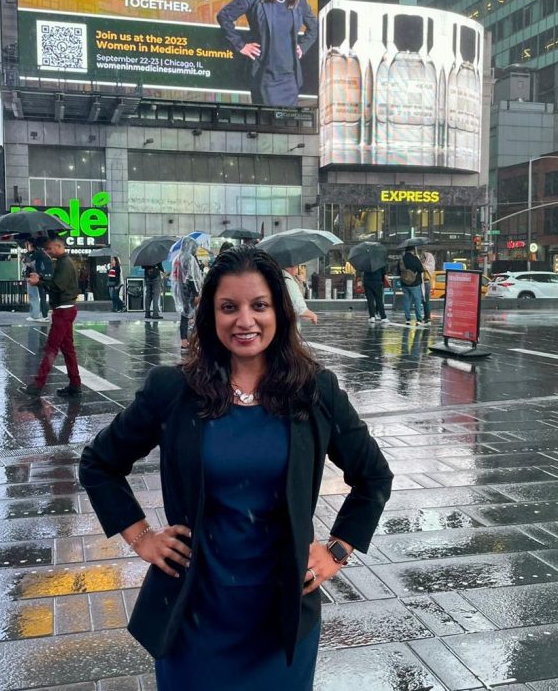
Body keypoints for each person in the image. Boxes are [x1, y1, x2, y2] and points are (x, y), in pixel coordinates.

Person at [78, 245, 392, 690]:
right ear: (211, 315)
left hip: (280, 618)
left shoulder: (315, 390)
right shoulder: (174, 390)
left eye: (259, 305)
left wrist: (338, 550)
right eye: (229, 307)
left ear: (280, 311)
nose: (245, 321)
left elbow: (374, 476)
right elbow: (99, 464)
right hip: (194, 614)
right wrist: (141, 537)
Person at [217, 0, 317, 107]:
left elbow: (314, 27)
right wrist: (240, 45)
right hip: (264, 77)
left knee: (286, 128)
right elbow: (224, 16)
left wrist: (302, 47)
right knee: (268, 127)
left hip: (290, 79)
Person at [19, 236, 82, 398]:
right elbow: (56, 283)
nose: (47, 252)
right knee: (68, 349)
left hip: (63, 310)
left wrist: (38, 282)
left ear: (57, 246)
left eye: (49, 249)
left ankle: (38, 385)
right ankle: (75, 384)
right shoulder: (63, 262)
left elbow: (56, 286)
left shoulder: (64, 264)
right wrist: (41, 280)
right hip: (66, 308)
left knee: (51, 349)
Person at [171, 237, 203, 351]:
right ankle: (192, 340)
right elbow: (191, 278)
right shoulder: (189, 259)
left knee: (184, 316)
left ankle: (184, 340)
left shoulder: (177, 258)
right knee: (194, 315)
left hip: (180, 290)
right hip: (188, 291)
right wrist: (196, 294)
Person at [398, 245, 426, 325]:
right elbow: (421, 270)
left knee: (406, 301)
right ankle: (419, 319)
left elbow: (398, 271)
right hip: (415, 283)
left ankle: (408, 319)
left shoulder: (401, 259)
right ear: (412, 250)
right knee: (417, 300)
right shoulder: (415, 258)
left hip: (404, 283)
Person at [23, 241, 42, 322]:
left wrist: (28, 263)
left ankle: (35, 315)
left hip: (33, 276)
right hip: (29, 276)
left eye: (28, 245)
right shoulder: (28, 254)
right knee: (31, 296)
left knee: (34, 296)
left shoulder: (36, 254)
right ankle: (33, 314)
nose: (26, 246)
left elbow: (36, 266)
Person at [420, 251, 432, 327]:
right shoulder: (425, 264)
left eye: (424, 257)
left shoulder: (429, 264)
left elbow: (424, 268)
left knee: (426, 300)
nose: (423, 258)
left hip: (426, 283)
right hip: (422, 283)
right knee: (424, 301)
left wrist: (421, 263)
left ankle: (427, 317)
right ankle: (426, 316)